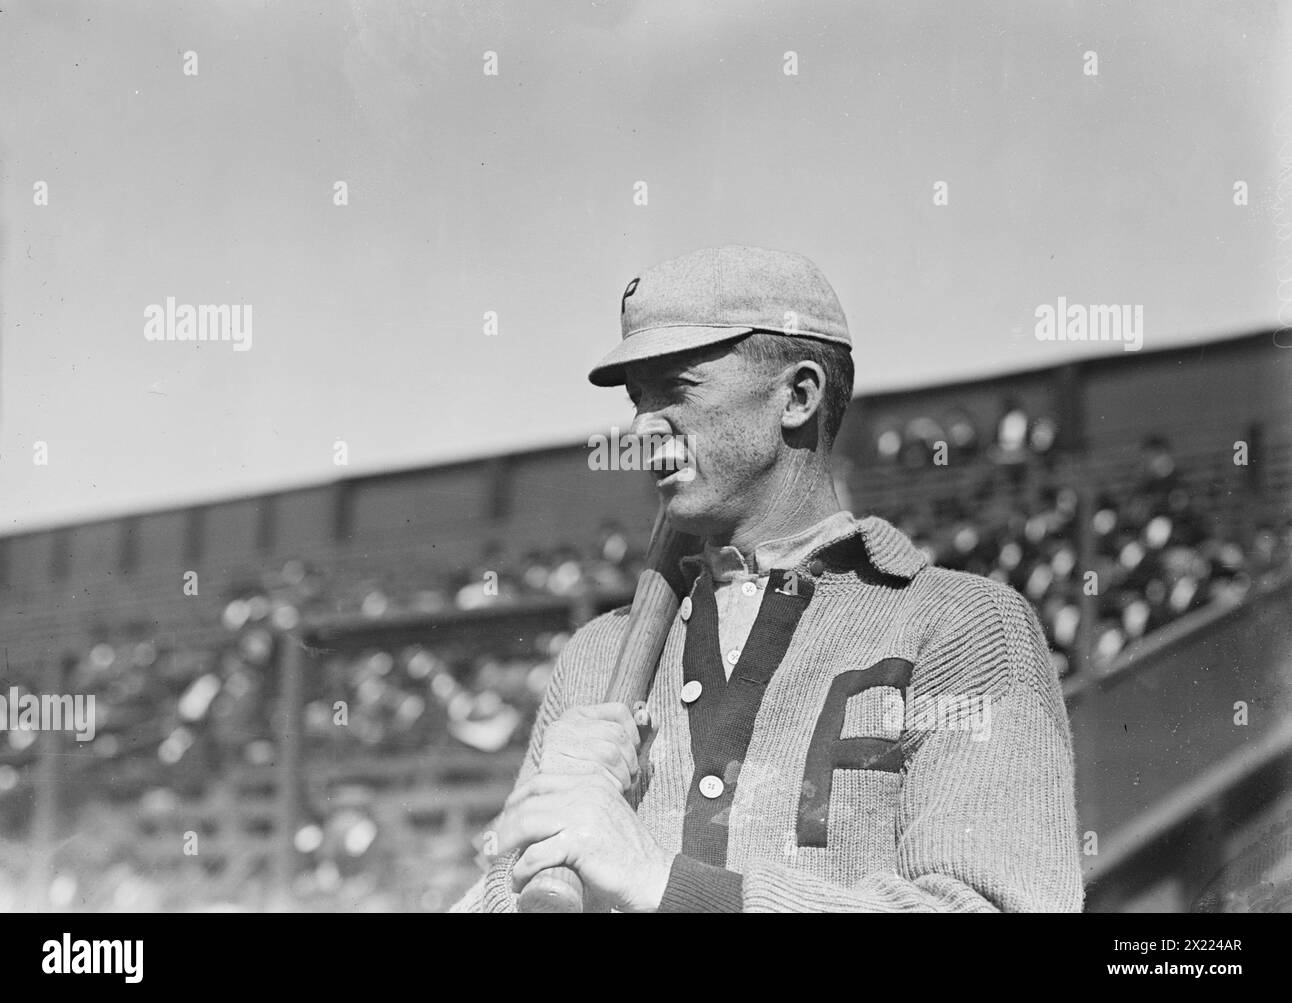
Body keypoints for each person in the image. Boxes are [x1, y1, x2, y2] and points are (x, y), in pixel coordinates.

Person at [450, 245, 1083, 912]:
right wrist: (517, 867)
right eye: (637, 398)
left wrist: (660, 880)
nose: (638, 427)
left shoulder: (964, 625)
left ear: (798, 395)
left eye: (677, 388)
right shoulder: (594, 658)